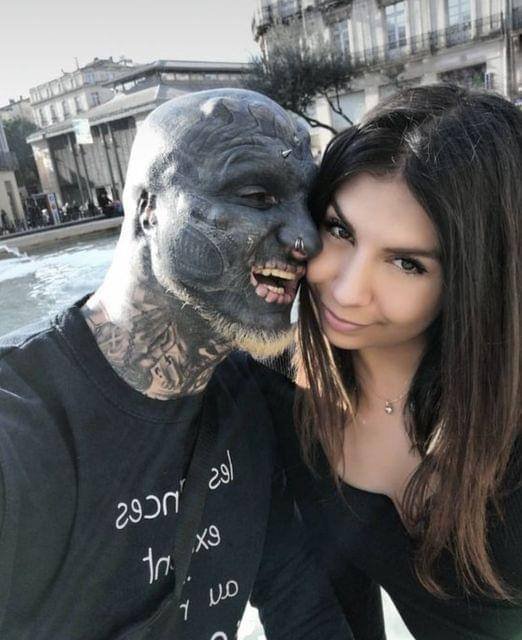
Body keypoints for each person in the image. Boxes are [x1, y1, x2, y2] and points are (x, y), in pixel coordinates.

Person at [0, 90, 353, 640]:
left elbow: (299, 602)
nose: (305, 237)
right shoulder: (19, 424)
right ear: (148, 208)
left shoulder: (250, 401)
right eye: (258, 196)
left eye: (306, 205)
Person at [257, 84, 522, 639]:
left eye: (406, 263)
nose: (347, 291)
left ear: (478, 280)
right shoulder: (287, 390)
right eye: (339, 231)